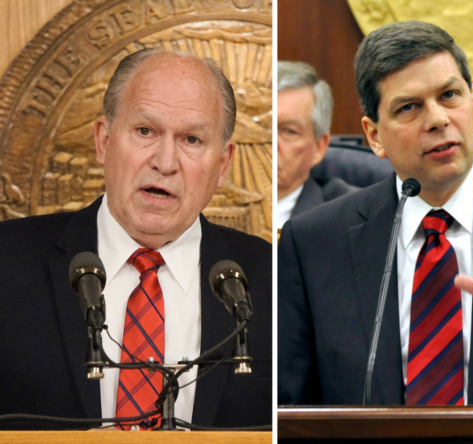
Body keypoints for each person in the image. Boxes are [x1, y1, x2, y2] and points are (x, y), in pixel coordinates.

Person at [278, 20, 473, 405]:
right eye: (409, 107)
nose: (437, 119)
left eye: (449, 95)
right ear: (374, 136)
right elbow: (288, 409)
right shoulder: (313, 242)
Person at [0, 49, 271, 429]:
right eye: (145, 131)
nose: (165, 161)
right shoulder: (6, 261)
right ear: (103, 141)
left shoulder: (273, 278)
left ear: (223, 164)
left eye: (192, 139)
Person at [277, 61, 356, 230]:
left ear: (319, 147)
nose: (271, 143)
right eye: (264, 128)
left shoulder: (353, 215)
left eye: (289, 131)